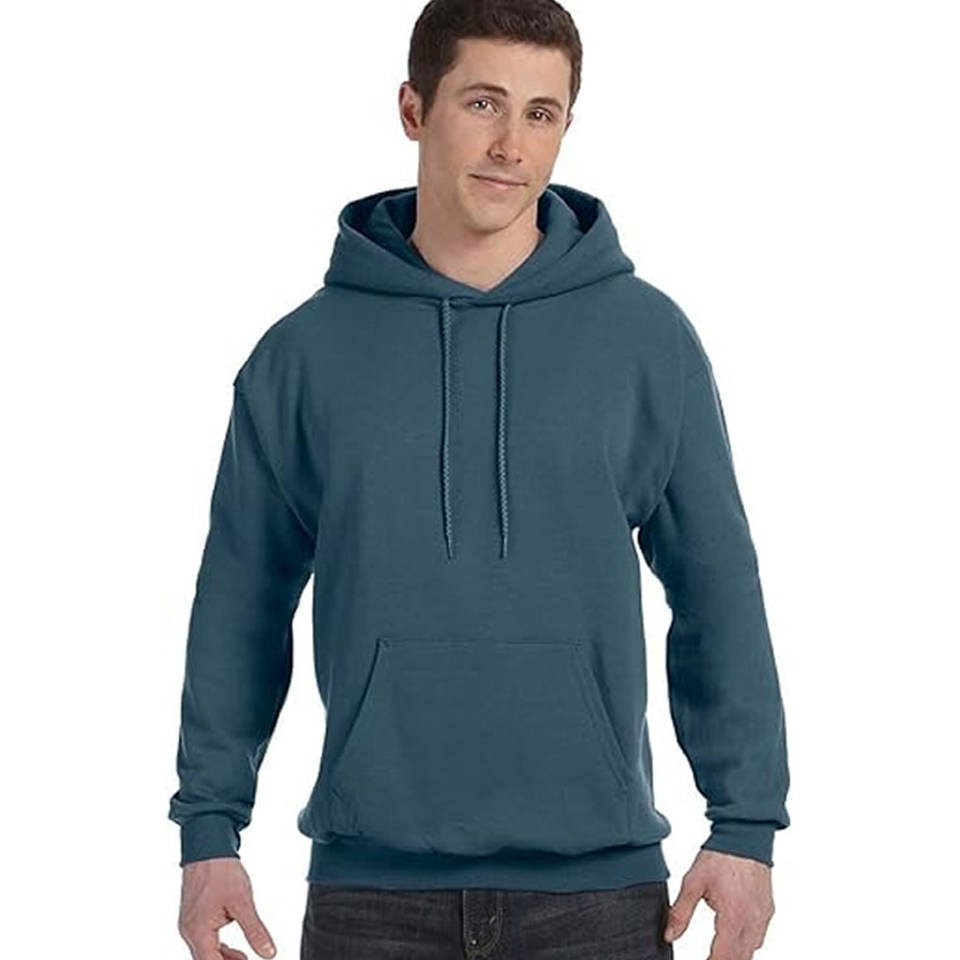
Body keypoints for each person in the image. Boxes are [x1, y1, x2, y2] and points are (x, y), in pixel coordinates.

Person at [168, 1, 791, 957]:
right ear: (414, 109)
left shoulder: (646, 341)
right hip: (371, 900)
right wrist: (210, 831)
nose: (511, 145)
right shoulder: (302, 356)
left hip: (600, 898)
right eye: (483, 103)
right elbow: (240, 602)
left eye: (542, 113)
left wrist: (744, 826)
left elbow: (718, 591)